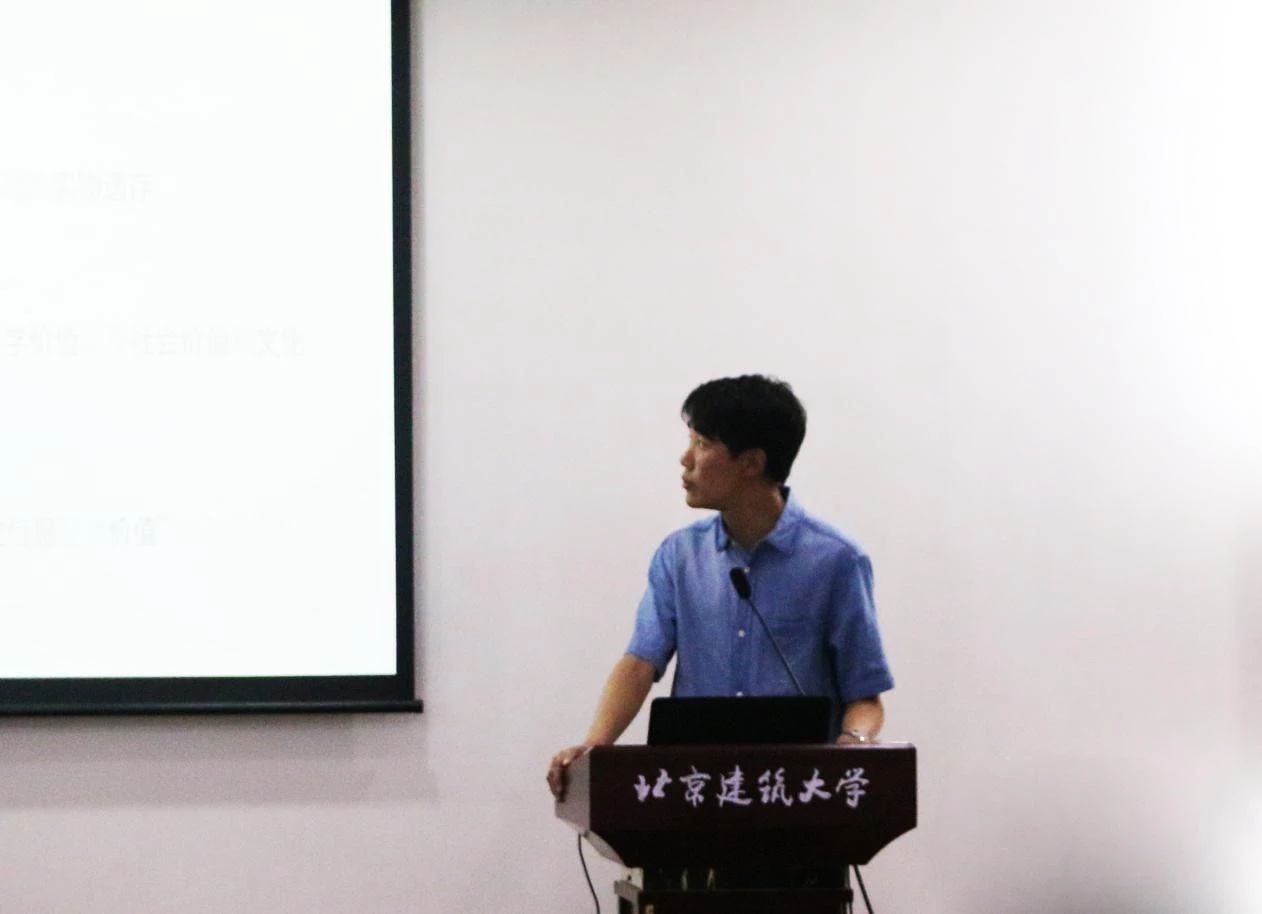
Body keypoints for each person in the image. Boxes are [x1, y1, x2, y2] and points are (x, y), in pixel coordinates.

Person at [547, 374, 894, 800]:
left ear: (751, 463)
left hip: (795, 796)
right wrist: (594, 746)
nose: (685, 459)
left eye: (702, 443)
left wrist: (854, 745)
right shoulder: (679, 556)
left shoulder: (837, 561)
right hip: (698, 793)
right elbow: (639, 664)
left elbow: (865, 698)